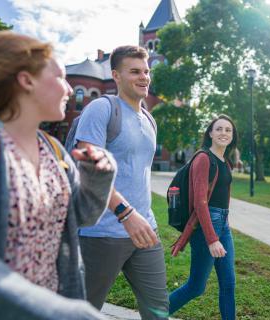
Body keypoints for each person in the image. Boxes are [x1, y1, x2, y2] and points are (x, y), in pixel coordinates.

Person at [0, 31, 116, 319]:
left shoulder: (54, 149)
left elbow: (80, 217)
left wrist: (98, 176)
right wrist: (63, 312)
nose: (69, 90)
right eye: (60, 77)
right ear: (26, 80)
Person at [73, 45, 169, 319]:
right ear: (115, 75)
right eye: (135, 71)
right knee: (81, 310)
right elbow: (88, 167)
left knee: (158, 309)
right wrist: (125, 213)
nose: (144, 77)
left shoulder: (149, 119)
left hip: (145, 230)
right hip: (102, 232)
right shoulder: (102, 108)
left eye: (147, 71)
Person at [170, 114, 238, 320]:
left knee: (228, 284)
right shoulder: (203, 159)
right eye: (218, 129)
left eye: (228, 130)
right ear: (210, 133)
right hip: (205, 225)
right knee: (196, 287)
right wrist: (212, 238)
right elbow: (200, 202)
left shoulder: (225, 162)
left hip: (223, 224)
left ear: (232, 135)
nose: (223, 133)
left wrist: (221, 230)